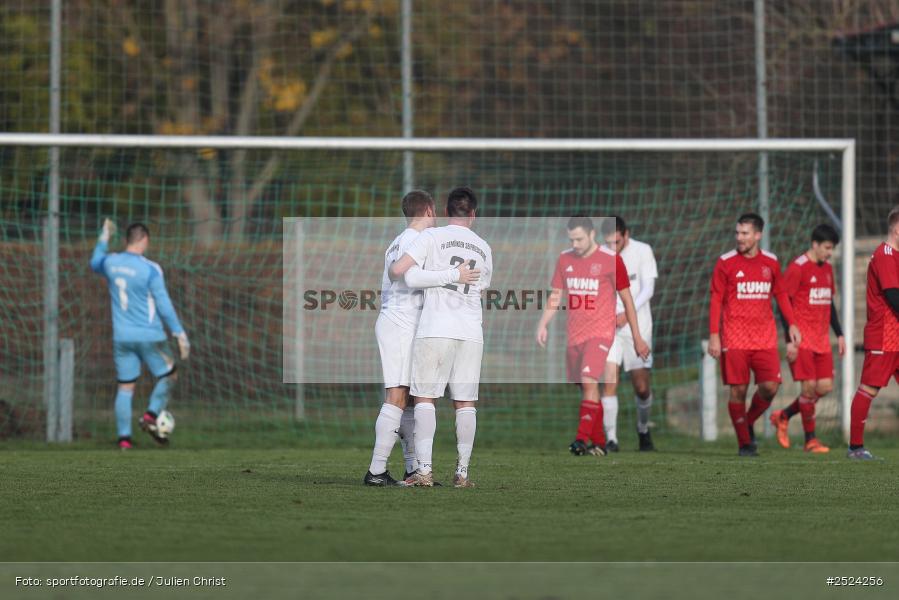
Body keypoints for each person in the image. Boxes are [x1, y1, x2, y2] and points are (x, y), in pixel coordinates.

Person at [364, 191, 479, 486]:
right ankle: (376, 471)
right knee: (397, 396)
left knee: (413, 400)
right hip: (400, 324)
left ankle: (413, 469)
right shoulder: (413, 240)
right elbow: (406, 276)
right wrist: (453, 274)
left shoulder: (399, 240)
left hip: (404, 324)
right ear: (429, 210)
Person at [389, 187, 492, 487]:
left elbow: (409, 276)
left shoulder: (431, 237)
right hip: (471, 331)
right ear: (473, 214)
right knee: (465, 402)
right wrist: (458, 277)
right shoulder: (484, 247)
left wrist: (448, 275)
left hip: (436, 327)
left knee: (424, 398)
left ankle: (424, 471)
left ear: (446, 212)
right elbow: (482, 285)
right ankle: (462, 473)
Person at [536, 216, 650, 457]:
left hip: (601, 333)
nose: (575, 244)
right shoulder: (565, 258)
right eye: (572, 239)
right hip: (575, 335)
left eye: (579, 239)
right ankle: (598, 441)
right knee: (585, 387)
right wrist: (543, 324)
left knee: (589, 380)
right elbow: (556, 295)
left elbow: (628, 300)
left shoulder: (611, 260)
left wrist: (638, 337)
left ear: (591, 235)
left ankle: (580, 439)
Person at [90, 220, 190, 450]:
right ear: (145, 240)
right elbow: (163, 304)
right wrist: (179, 333)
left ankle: (124, 439)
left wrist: (104, 236)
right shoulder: (150, 269)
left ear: (127, 240)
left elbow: (94, 262)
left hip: (122, 338)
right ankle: (151, 415)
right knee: (169, 375)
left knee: (126, 388)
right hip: (150, 336)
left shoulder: (111, 262)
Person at [708, 213, 800, 457]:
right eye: (737, 233)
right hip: (734, 337)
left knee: (770, 387)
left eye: (745, 233)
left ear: (758, 235)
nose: (740, 238)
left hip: (765, 338)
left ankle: (747, 422)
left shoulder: (770, 262)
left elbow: (781, 294)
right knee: (738, 391)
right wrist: (714, 335)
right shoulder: (725, 262)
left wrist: (792, 324)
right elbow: (716, 299)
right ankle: (745, 444)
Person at [770, 224, 844, 453]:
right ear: (815, 244)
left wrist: (839, 333)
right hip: (802, 340)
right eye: (827, 248)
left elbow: (829, 303)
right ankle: (810, 440)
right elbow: (783, 304)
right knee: (809, 388)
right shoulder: (797, 268)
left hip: (822, 340)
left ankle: (784, 415)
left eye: (832, 248)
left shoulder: (827, 269)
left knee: (825, 386)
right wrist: (790, 339)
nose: (829, 252)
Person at [602, 216, 658, 452]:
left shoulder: (643, 251)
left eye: (617, 242)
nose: (613, 247)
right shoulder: (599, 256)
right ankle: (611, 439)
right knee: (609, 380)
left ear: (626, 235)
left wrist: (627, 312)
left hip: (638, 325)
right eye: (608, 243)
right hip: (608, 327)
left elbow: (648, 288)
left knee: (642, 387)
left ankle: (643, 429)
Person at [847, 206, 899, 460]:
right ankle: (855, 448)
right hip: (885, 335)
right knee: (869, 389)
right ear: (898, 229)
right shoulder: (885, 255)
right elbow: (893, 297)